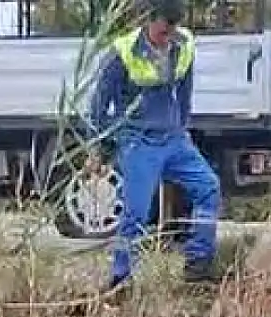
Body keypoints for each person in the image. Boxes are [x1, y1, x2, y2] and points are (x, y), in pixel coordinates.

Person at [88, 0, 223, 291]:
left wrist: (182, 128)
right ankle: (121, 278)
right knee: (136, 211)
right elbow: (98, 104)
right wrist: (99, 146)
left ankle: (198, 262)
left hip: (174, 138)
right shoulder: (122, 53)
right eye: (162, 32)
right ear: (147, 22)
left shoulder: (184, 45)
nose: (167, 39)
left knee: (208, 187)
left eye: (172, 32)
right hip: (139, 141)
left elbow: (185, 91)